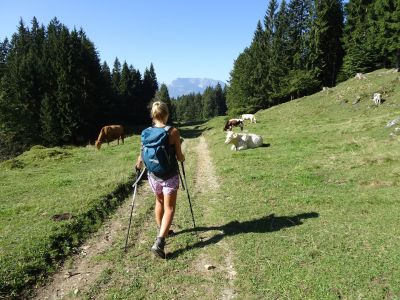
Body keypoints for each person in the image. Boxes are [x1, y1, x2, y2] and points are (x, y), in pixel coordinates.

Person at [135, 101, 185, 259]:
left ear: (153, 115)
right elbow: (179, 156)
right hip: (169, 175)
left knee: (159, 202)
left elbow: (141, 155)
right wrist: (183, 158)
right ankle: (160, 242)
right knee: (169, 208)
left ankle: (161, 228)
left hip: (152, 175)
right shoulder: (173, 131)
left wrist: (138, 165)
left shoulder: (145, 132)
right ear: (166, 114)